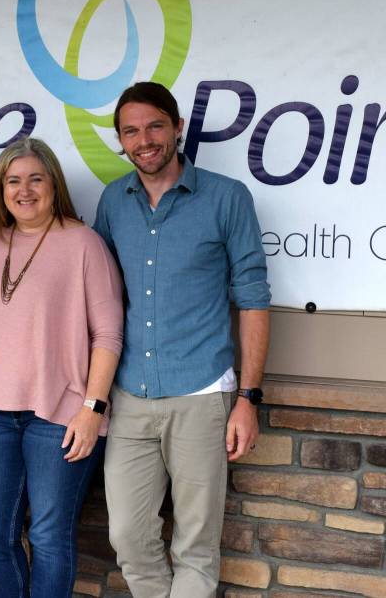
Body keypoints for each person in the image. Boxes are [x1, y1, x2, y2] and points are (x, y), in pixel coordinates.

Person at [94, 82, 271, 598]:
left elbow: (253, 299)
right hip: (129, 396)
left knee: (195, 547)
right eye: (131, 131)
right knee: (127, 536)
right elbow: (100, 300)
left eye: (154, 126)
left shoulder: (226, 197)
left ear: (177, 127)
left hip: (201, 394)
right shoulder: (113, 201)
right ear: (121, 141)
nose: (144, 139)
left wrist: (249, 399)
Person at [0, 138, 123, 598]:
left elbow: (108, 335)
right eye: (13, 180)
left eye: (36, 178)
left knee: (50, 538)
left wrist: (93, 409)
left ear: (54, 184)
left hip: (63, 414)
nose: (25, 190)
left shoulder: (84, 243)